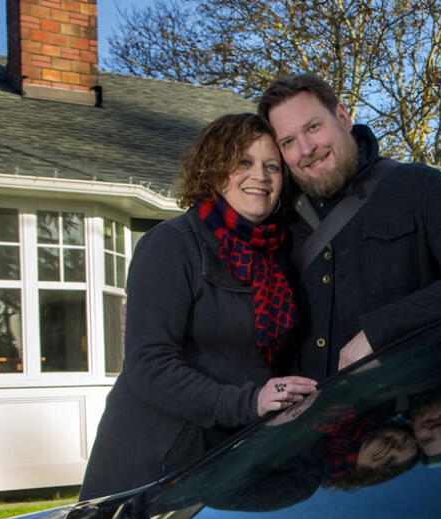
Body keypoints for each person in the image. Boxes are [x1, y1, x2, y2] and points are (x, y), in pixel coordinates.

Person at [80, 114, 317, 499]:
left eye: (271, 166)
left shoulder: (278, 258)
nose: (260, 175)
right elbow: (149, 366)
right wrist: (248, 402)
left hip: (232, 461)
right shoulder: (172, 244)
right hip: (157, 465)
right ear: (213, 169)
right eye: (244, 162)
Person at [258, 74, 441, 381]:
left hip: (398, 418)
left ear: (342, 116)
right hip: (310, 424)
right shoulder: (277, 217)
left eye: (313, 127)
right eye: (288, 142)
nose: (306, 149)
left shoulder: (417, 186)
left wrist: (380, 332)